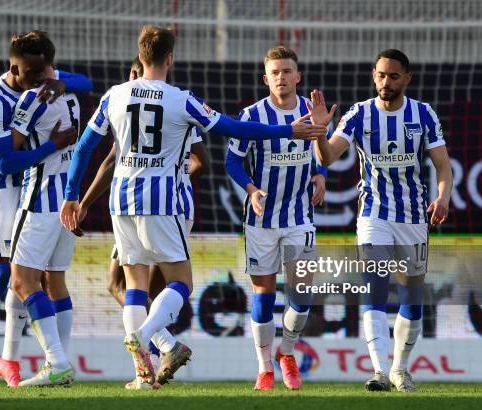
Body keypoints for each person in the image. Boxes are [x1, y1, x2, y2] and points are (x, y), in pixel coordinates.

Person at [60, 25, 327, 385]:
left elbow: (85, 149)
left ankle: (144, 371)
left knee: (134, 284)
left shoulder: (114, 96)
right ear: (170, 59)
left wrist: (73, 196)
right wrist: (286, 131)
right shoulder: (181, 99)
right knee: (181, 283)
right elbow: (233, 129)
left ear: (140, 57)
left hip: (120, 201)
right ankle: (145, 338)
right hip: (164, 201)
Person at [311, 49, 453, 392]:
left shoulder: (422, 114)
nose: (384, 82)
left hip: (414, 216)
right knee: (374, 286)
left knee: (412, 298)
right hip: (373, 213)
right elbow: (327, 157)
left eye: (392, 76)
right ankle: (377, 371)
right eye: (379, 75)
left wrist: (443, 196)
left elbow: (442, 165)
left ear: (407, 78)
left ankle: (400, 368)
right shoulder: (359, 114)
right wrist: (318, 131)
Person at [0, 31, 83, 389]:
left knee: (32, 276)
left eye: (46, 72)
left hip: (35, 189)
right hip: (3, 189)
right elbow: (3, 159)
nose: (42, 79)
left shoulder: (47, 84)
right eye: (34, 73)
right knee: (3, 272)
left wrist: (57, 82)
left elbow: (85, 80)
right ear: (15, 68)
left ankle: (11, 359)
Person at [78, 56, 209, 389]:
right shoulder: (127, 107)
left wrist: (173, 172)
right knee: (117, 284)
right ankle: (159, 351)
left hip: (167, 203)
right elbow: (111, 160)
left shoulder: (176, 109)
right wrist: (84, 203)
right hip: (136, 199)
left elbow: (199, 160)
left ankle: (155, 348)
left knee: (146, 285)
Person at [225, 45, 329, 391]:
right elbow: (232, 162)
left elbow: (317, 154)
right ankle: (265, 368)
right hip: (262, 220)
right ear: (265, 78)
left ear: (297, 76)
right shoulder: (252, 116)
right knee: (264, 297)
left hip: (299, 216)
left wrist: (318, 174)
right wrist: (252, 189)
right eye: (275, 72)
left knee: (302, 295)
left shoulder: (309, 112)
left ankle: (286, 352)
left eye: (287, 71)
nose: (281, 78)